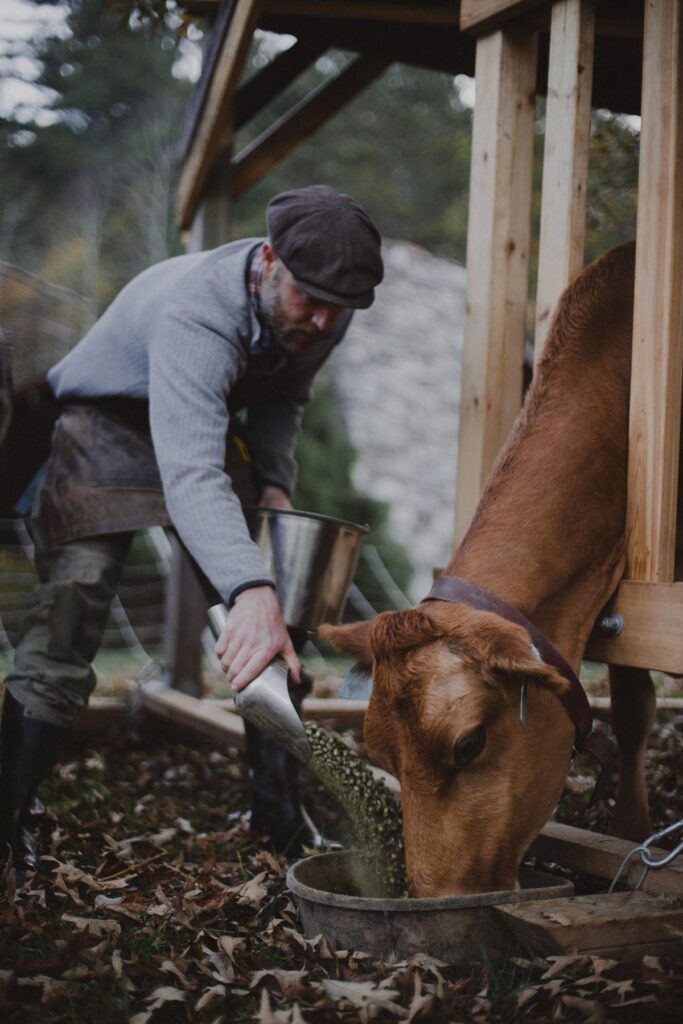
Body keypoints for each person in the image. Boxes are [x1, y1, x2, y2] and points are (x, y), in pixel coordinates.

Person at [0, 184, 384, 873]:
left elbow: (283, 400)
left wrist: (273, 481)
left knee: (284, 608)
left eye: (341, 309)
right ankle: (7, 818)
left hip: (203, 428)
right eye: (312, 301)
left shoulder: (325, 307)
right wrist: (247, 588)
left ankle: (278, 816)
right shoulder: (197, 314)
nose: (326, 322)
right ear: (268, 261)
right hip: (104, 423)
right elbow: (192, 476)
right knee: (76, 601)